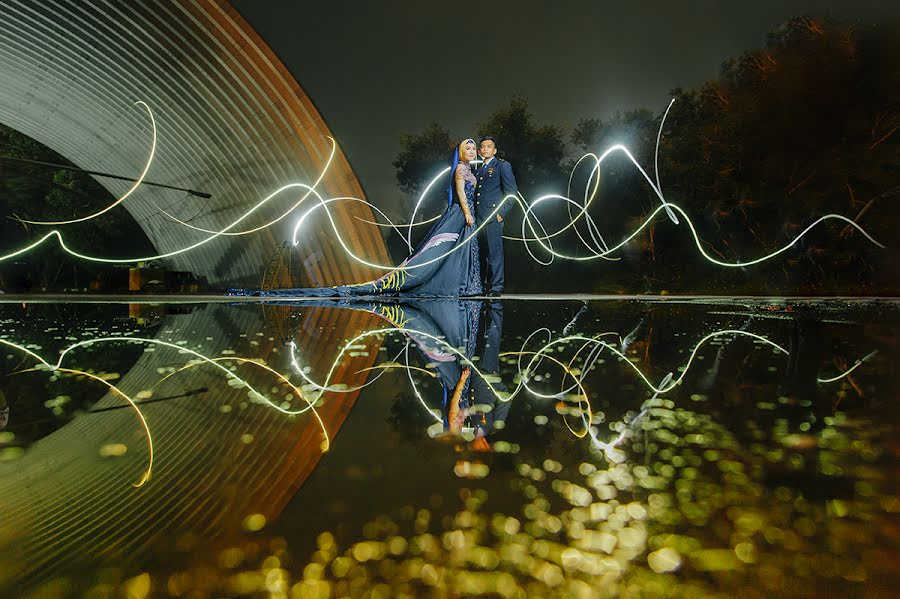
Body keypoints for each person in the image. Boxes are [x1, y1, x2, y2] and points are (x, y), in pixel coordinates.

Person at [251, 139, 482, 298]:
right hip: (461, 214)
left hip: (464, 215)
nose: (471, 151)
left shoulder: (470, 170)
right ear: (461, 152)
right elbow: (461, 194)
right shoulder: (461, 170)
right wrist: (468, 213)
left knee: (456, 249)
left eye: (473, 149)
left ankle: (463, 284)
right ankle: (452, 284)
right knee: (443, 249)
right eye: (468, 148)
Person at [475, 136, 519, 296]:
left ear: (494, 150)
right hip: (479, 219)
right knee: (481, 254)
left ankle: (496, 288)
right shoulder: (479, 170)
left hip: (493, 217)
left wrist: (501, 214)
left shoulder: (502, 166)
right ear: (479, 152)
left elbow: (511, 192)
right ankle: (481, 287)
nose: (485, 149)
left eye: (489, 146)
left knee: (495, 254)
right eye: (483, 147)